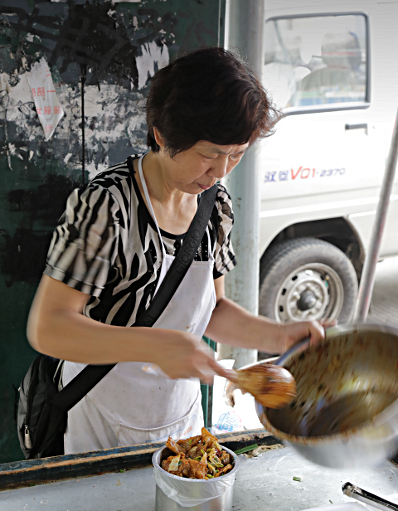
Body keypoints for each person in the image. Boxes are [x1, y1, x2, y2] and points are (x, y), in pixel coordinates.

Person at [27, 47, 326, 454]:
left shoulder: (214, 206)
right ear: (164, 135)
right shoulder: (106, 205)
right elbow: (49, 327)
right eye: (209, 154)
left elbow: (213, 311)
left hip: (179, 418)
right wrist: (156, 345)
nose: (220, 171)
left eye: (235, 155)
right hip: (98, 416)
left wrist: (279, 334)